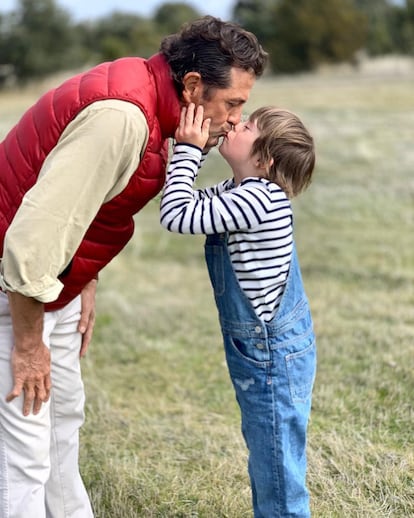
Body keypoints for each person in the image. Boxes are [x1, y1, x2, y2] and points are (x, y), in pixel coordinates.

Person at [0, 16, 268, 518]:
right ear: (192, 86)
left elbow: (83, 202)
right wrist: (29, 344)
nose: (235, 120)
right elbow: (30, 243)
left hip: (52, 285)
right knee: (24, 455)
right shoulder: (122, 116)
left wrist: (85, 277)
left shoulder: (146, 96)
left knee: (61, 424)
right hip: (17, 289)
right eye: (232, 103)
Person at [160, 103, 317, 517]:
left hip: (271, 358)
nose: (235, 122)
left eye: (248, 126)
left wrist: (189, 151)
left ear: (264, 159)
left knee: (277, 468)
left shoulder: (258, 200)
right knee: (269, 452)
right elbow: (189, 202)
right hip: (265, 352)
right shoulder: (239, 192)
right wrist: (176, 150)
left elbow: (176, 215)